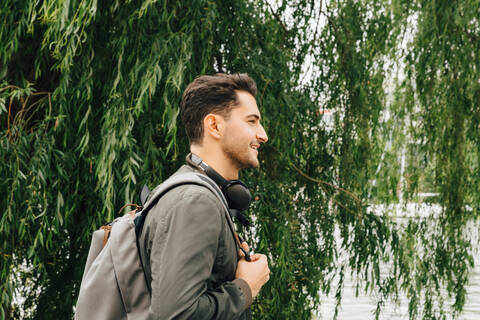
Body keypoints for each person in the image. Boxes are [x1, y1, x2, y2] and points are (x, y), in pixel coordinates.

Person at [138, 73, 270, 319]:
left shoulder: (193, 192)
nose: (263, 135)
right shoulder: (196, 201)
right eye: (252, 121)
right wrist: (246, 287)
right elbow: (176, 314)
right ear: (214, 126)